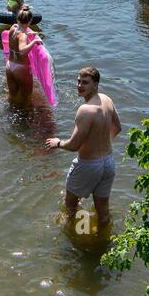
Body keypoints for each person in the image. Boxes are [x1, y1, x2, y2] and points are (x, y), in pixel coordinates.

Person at [46, 67, 121, 229]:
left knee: (70, 208)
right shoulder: (107, 100)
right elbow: (117, 127)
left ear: (95, 85)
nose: (79, 85)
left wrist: (58, 143)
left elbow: (74, 145)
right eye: (78, 81)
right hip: (108, 162)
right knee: (103, 210)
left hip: (88, 165)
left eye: (85, 82)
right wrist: (101, 142)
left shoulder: (85, 110)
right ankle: (103, 241)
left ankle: (72, 239)